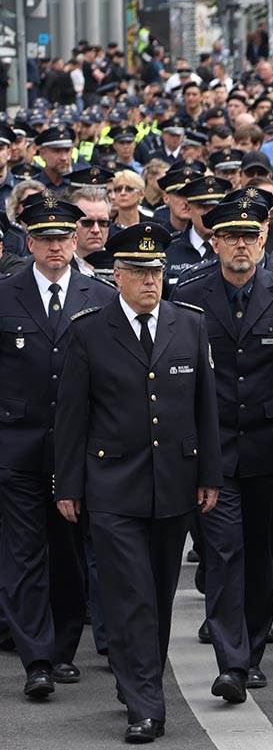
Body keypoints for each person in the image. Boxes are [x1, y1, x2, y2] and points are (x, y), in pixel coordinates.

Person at [54, 222, 221, 743]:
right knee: (130, 596)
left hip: (173, 481)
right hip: (113, 484)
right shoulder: (88, 329)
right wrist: (68, 485)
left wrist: (209, 473)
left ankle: (138, 680)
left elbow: (205, 408)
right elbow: (73, 416)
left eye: (158, 271)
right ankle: (147, 702)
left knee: (159, 594)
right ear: (118, 275)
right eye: (141, 272)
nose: (152, 281)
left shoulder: (188, 324)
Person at [171, 191, 273, 702]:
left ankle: (250, 649)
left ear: (264, 237)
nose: (241, 245)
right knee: (224, 553)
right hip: (214, 451)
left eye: (250, 235)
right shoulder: (188, 294)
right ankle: (231, 661)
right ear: (214, 240)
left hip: (269, 452)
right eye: (230, 237)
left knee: (264, 559)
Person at [0, 193, 115, 700]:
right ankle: (37, 659)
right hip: (17, 446)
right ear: (28, 242)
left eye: (63, 238)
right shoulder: (5, 294)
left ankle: (64, 647)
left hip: (78, 451)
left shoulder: (100, 295)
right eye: (44, 238)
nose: (55, 247)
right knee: (23, 554)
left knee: (68, 554)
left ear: (75, 241)